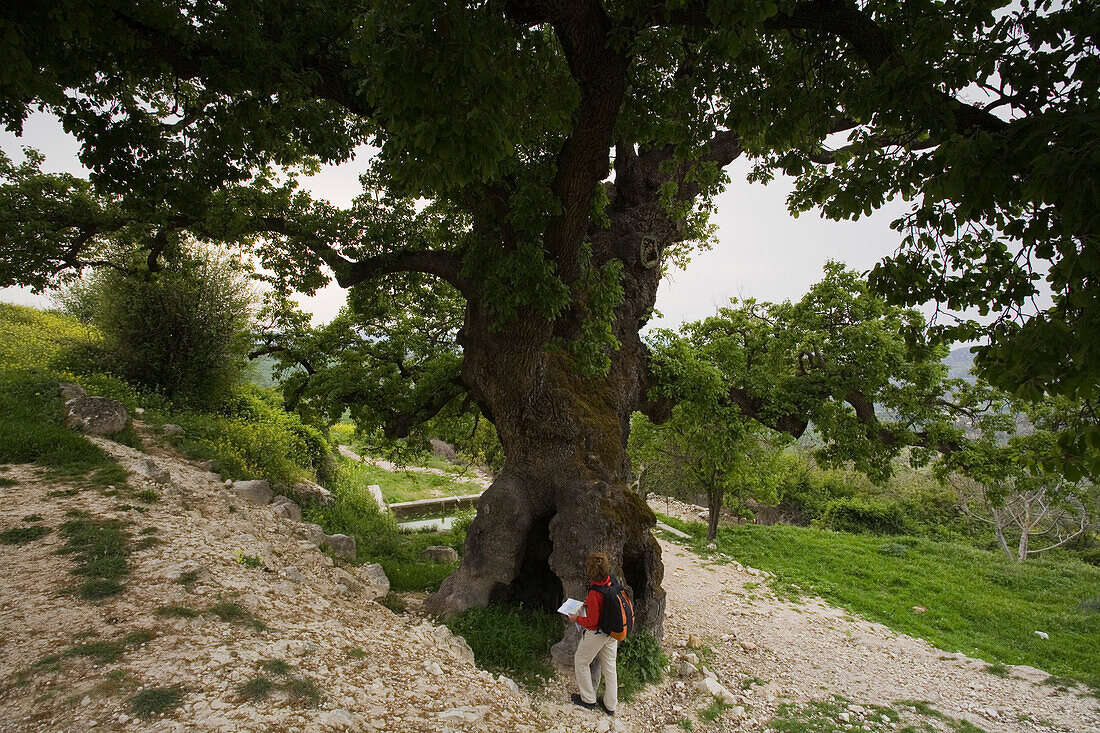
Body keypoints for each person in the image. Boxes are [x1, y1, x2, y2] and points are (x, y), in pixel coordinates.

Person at [567, 551, 617, 715]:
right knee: (609, 667)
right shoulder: (610, 582)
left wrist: (576, 619)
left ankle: (588, 699)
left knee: (581, 660)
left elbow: (592, 622)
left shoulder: (595, 592)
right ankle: (610, 705)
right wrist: (588, 603)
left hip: (598, 633)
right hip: (612, 632)